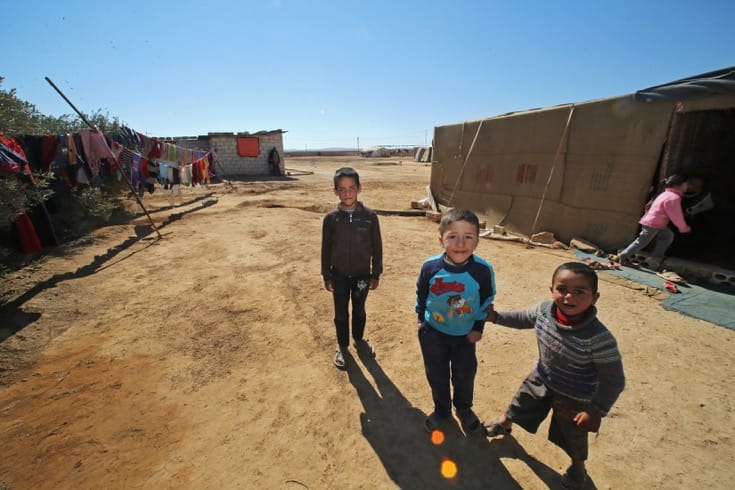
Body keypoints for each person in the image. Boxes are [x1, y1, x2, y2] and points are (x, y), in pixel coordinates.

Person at [484, 262, 625, 489]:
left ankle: (578, 468)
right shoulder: (544, 311)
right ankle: (505, 423)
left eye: (580, 292)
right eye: (562, 289)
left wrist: (596, 410)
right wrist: (496, 317)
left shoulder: (599, 338)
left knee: (573, 435)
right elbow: (521, 318)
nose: (569, 296)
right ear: (552, 290)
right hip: (543, 377)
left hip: (575, 396)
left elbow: (614, 379)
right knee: (521, 403)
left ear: (595, 297)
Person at [415, 208, 496, 434]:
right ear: (441, 239)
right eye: (453, 237)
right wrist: (421, 319)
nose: (460, 243)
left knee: (464, 375)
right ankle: (442, 410)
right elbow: (421, 293)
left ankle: (464, 408)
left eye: (468, 237)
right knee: (437, 374)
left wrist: (478, 326)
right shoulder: (430, 267)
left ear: (477, 241)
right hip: (433, 333)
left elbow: (487, 300)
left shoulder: (482, 270)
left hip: (465, 335)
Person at [321, 167, 383, 369]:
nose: (347, 193)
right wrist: (326, 275)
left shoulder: (370, 217)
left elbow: (377, 247)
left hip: (362, 276)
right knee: (340, 313)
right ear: (335, 191)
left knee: (359, 310)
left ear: (359, 189)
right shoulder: (331, 218)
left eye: (351, 188)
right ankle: (343, 346)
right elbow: (326, 248)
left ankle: (359, 339)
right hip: (338, 275)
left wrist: (376, 273)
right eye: (342, 189)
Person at [617, 174, 691, 267]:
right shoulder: (673, 197)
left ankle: (656, 257)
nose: (687, 186)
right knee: (641, 242)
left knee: (667, 236)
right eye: (685, 184)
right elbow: (676, 216)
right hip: (653, 224)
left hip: (656, 223)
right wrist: (683, 227)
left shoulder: (665, 194)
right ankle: (623, 256)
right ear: (678, 185)